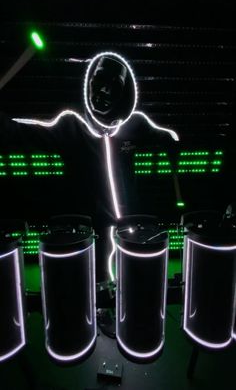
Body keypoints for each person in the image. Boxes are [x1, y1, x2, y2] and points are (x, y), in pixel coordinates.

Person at [0, 52, 179, 281]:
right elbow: (26, 132)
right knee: (96, 279)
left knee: (134, 279)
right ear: (89, 82)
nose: (103, 90)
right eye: (99, 79)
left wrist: (173, 144)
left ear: (124, 94)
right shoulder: (72, 127)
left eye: (114, 85)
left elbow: (167, 137)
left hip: (129, 223)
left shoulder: (135, 124)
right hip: (91, 225)